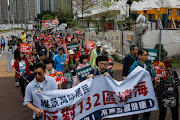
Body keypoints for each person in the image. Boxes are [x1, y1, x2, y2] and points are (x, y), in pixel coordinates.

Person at [129, 48, 156, 120]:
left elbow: (153, 75)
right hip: (137, 92)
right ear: (140, 56)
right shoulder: (134, 66)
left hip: (147, 91)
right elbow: (130, 79)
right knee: (136, 111)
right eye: (145, 55)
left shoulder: (148, 65)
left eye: (147, 55)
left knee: (147, 110)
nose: (147, 57)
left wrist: (152, 68)